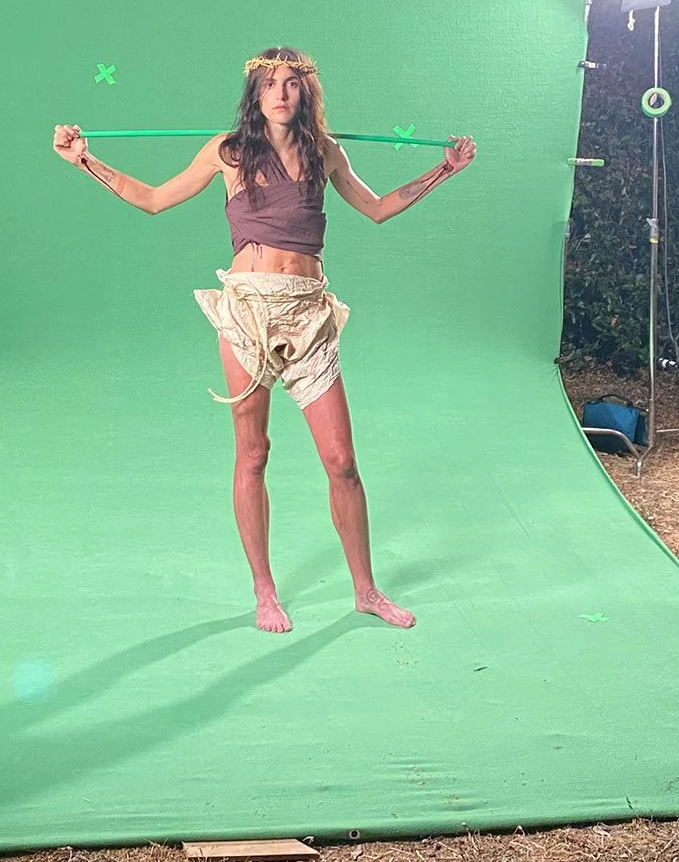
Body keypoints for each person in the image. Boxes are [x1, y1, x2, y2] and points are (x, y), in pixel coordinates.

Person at [53, 46, 476, 634]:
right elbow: (152, 199)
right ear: (255, 94)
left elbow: (378, 209)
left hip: (308, 315)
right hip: (247, 313)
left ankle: (366, 590)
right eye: (269, 83)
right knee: (253, 454)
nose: (280, 93)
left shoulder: (326, 152)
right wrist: (83, 160)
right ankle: (264, 590)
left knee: (342, 462)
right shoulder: (228, 153)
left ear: (306, 94)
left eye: (292, 83)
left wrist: (445, 169)